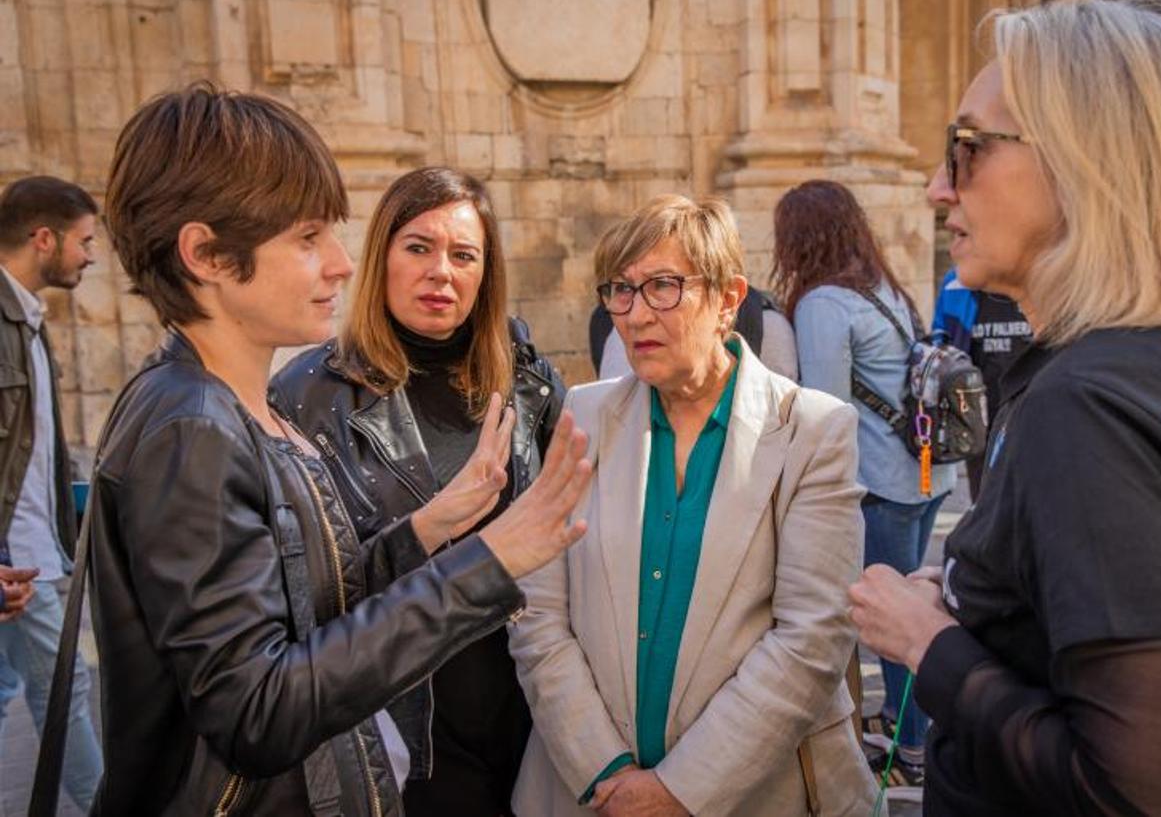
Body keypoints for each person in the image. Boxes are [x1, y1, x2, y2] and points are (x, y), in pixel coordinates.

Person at [79, 82, 593, 815]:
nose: (341, 264)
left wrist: (428, 528)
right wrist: (490, 562)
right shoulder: (190, 425)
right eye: (307, 237)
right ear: (207, 255)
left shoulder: (232, 405)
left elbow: (313, 607)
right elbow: (259, 711)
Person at [849, 0, 1161, 815]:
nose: (938, 187)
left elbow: (1144, 787)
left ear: (1088, 161)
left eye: (966, 149)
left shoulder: (1083, 409)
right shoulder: (1150, 368)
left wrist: (926, 641)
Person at [508, 195, 877, 816]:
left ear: (728, 299)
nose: (633, 315)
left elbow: (811, 640)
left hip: (751, 794)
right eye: (619, 291)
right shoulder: (584, 415)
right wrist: (608, 771)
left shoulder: (811, 430)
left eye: (662, 287)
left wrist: (678, 791)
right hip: (585, 790)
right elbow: (538, 613)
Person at [270, 166, 565, 816]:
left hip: (531, 713)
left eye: (464, 255)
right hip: (402, 727)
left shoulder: (527, 382)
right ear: (383, 256)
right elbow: (301, 599)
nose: (442, 272)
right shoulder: (307, 394)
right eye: (419, 247)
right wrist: (429, 523)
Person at [773, 178, 955, 784]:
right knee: (910, 599)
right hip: (925, 475)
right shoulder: (882, 289)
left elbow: (825, 409)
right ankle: (903, 723)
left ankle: (912, 748)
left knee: (894, 621)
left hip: (882, 484)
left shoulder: (825, 303)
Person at [0, 176, 103, 810]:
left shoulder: (28, 322)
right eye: (84, 240)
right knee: (64, 691)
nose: (90, 255)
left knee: (15, 684)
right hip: (17, 558)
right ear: (45, 239)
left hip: (31, 551)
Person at [931, 266, 1031, 497]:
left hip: (1029, 411)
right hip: (975, 416)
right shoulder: (957, 282)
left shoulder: (1039, 273)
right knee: (983, 499)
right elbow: (941, 340)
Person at [587, 285, 798, 381]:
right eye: (623, 287)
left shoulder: (806, 419)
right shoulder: (591, 410)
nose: (637, 317)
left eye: (663, 285)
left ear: (726, 301)